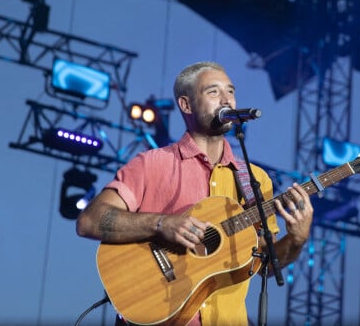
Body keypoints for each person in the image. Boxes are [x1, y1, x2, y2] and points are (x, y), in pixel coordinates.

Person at [76, 61, 314, 326]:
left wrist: (297, 239)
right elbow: (89, 221)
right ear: (186, 105)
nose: (227, 99)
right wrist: (161, 224)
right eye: (213, 92)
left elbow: (266, 267)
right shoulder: (152, 164)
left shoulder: (255, 180)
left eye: (231, 92)